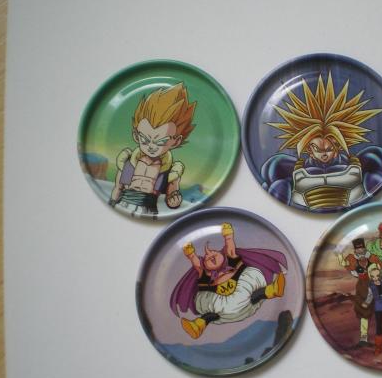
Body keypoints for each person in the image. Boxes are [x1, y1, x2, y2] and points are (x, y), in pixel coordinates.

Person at [261, 72, 382, 211]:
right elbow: (275, 188)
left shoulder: (360, 162)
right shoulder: (289, 167)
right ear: (309, 149)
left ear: (338, 147)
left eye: (329, 149)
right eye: (318, 150)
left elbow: (379, 180)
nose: (324, 154)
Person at [169, 222, 287, 339]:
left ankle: (272, 290)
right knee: (212, 311)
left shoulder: (232, 261)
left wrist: (228, 236)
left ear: (223, 255)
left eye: (213, 252)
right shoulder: (205, 275)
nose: (209, 254)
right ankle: (198, 325)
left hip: (246, 301)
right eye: (206, 258)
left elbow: (230, 248)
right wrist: (191, 255)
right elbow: (197, 265)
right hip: (223, 310)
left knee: (250, 292)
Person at [110, 83, 196, 217]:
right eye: (145, 139)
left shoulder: (171, 172)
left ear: (176, 141)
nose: (151, 146)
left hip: (148, 210)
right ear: (136, 135)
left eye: (160, 142)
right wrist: (111, 205)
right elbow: (117, 189)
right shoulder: (126, 162)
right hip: (124, 205)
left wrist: (174, 201)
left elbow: (171, 197)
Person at [337, 238, 382, 346]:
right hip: (362, 287)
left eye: (361, 248)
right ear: (355, 250)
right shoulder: (352, 259)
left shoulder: (372, 258)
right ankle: (364, 337)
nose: (360, 250)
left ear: (364, 248)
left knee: (381, 309)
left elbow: (381, 266)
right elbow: (344, 263)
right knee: (364, 311)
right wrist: (339, 254)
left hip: (375, 284)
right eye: (358, 249)